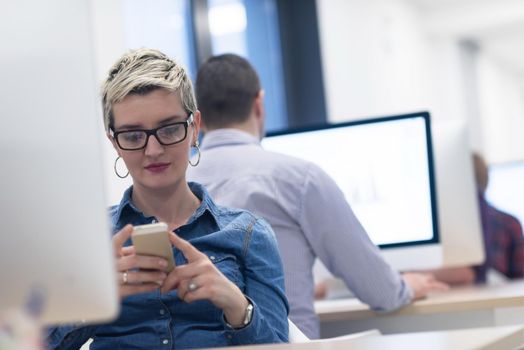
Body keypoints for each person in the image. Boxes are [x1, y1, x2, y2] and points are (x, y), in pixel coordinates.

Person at [187, 53, 448, 339]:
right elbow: (379, 291)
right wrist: (406, 285)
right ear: (259, 104)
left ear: (197, 114)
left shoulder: (177, 185)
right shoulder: (299, 178)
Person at [46, 49, 289, 349]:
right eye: (133, 136)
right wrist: (93, 300)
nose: (153, 150)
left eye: (169, 129)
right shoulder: (89, 239)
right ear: (114, 142)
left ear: (194, 128)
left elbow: (281, 345)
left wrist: (237, 306)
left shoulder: (249, 235)